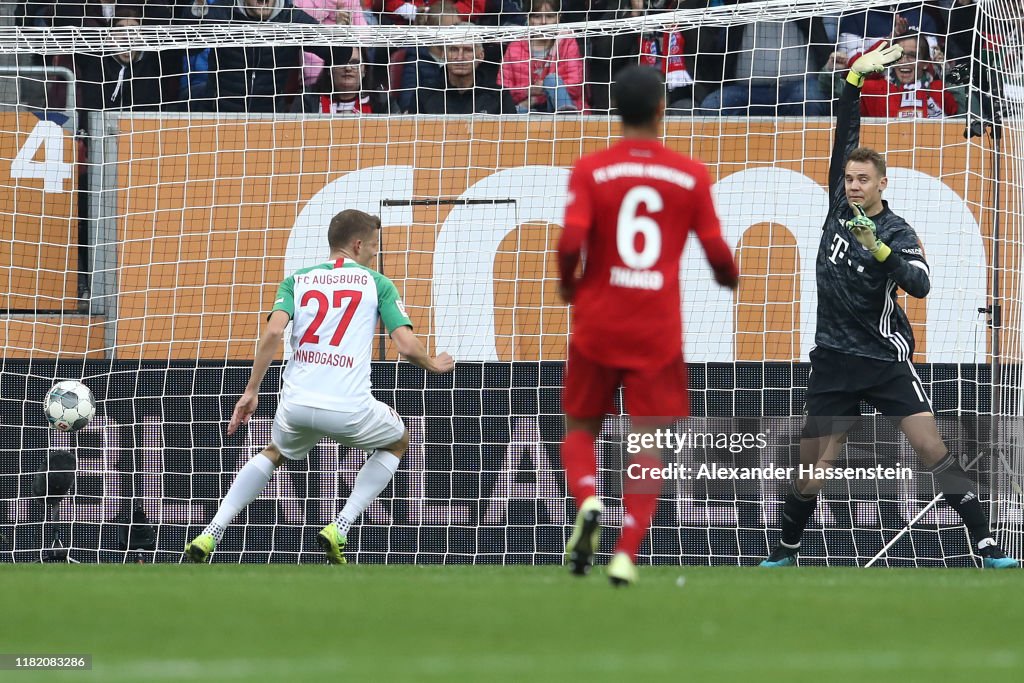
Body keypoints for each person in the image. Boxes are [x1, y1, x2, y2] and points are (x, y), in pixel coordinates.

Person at [760, 42, 1018, 569]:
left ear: (882, 184)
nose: (853, 186)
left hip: (884, 360)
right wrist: (852, 83)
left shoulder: (897, 230)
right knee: (813, 470)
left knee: (933, 450)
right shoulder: (838, 204)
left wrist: (877, 249)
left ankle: (986, 545)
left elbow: (919, 284)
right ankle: (784, 552)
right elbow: (846, 133)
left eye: (863, 180)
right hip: (834, 357)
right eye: (849, 178)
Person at [185, 209, 454, 564]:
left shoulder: (297, 280)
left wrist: (251, 391)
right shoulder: (378, 283)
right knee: (397, 441)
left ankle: (210, 533)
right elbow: (405, 345)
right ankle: (340, 526)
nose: (374, 253)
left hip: (296, 405)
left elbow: (273, 332)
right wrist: (434, 363)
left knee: (273, 453)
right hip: (349, 409)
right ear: (358, 245)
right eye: (373, 246)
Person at [558, 65, 739, 586]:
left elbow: (571, 243)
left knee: (581, 426)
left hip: (597, 320)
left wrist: (571, 286)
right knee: (648, 440)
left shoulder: (592, 169)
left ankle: (588, 498)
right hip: (656, 328)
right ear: (662, 109)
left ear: (616, 110)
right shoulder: (690, 174)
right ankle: (626, 552)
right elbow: (717, 252)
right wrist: (730, 278)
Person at [498, 0, 586, 113]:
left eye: (549, 16)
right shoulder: (514, 47)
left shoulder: (567, 42)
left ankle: (567, 118)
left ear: (558, 18)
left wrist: (537, 96)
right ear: (528, 19)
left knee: (551, 80)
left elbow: (575, 87)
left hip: (557, 107)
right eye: (537, 16)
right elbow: (503, 91)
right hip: (525, 109)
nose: (544, 22)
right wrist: (528, 92)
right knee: (516, 111)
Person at [417, 42, 517, 114]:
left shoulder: (499, 96)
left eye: (468, 50)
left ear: (481, 55)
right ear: (444, 54)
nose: (460, 57)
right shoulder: (424, 94)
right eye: (454, 49)